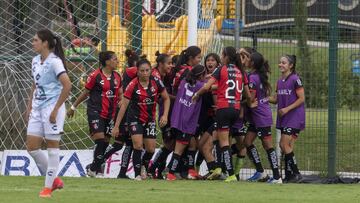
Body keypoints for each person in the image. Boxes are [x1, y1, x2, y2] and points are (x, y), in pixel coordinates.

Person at [26, 29, 72, 197]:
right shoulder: (35, 60)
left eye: (35, 40)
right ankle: (55, 180)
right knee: (32, 148)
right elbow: (35, 84)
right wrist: (29, 105)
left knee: (52, 147)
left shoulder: (55, 62)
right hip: (37, 109)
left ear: (45, 43)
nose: (33, 43)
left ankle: (47, 188)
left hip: (53, 109)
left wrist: (55, 110)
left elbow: (67, 86)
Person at [192, 46, 249, 182]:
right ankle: (217, 168)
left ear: (226, 57)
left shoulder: (221, 69)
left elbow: (206, 87)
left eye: (222, 55)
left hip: (223, 108)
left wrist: (197, 94)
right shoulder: (240, 72)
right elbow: (246, 94)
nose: (221, 58)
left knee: (224, 143)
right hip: (235, 109)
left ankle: (230, 174)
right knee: (217, 137)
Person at [112, 58, 170, 180]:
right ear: (137, 72)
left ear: (151, 70)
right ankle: (137, 174)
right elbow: (124, 106)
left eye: (147, 70)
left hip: (149, 119)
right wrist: (116, 126)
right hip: (135, 118)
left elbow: (166, 98)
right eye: (142, 71)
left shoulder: (156, 82)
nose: (144, 73)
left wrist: (164, 115)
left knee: (151, 149)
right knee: (137, 146)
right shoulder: (132, 85)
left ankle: (143, 165)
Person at [67, 51, 123, 177]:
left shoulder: (117, 76)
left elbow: (120, 93)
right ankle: (94, 170)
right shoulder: (95, 76)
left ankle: (93, 168)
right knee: (100, 140)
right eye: (114, 59)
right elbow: (85, 93)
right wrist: (73, 107)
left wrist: (122, 100)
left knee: (106, 143)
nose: (117, 61)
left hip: (110, 114)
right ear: (107, 62)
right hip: (95, 112)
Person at [243, 52, 282, 183]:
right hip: (255, 117)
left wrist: (241, 102)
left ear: (252, 63)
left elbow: (252, 98)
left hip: (261, 116)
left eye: (248, 58)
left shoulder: (253, 78)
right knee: (247, 142)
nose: (246, 60)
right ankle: (260, 171)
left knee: (268, 146)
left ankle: (277, 177)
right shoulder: (256, 76)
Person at [166, 65, 207, 180]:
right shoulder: (200, 86)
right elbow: (212, 87)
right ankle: (170, 174)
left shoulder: (184, 81)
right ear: (200, 76)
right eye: (204, 75)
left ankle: (191, 170)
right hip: (186, 122)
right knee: (178, 149)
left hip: (177, 119)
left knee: (193, 144)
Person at [270, 55, 305, 183]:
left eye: (284, 63)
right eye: (280, 63)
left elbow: (301, 99)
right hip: (284, 117)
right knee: (284, 145)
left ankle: (297, 174)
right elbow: (275, 99)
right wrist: (262, 98)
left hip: (294, 116)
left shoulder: (296, 79)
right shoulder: (279, 81)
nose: (280, 65)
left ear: (290, 65)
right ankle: (290, 175)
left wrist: (286, 109)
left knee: (284, 144)